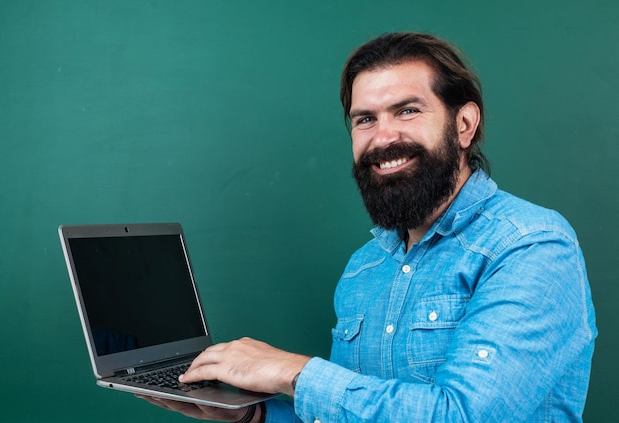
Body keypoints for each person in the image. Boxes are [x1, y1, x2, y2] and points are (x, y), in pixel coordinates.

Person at [139, 32, 597, 422]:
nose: (383, 138)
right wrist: (254, 413)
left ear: (464, 124)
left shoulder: (530, 245)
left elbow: (464, 414)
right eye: (365, 119)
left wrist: (293, 372)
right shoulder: (365, 268)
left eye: (408, 111)